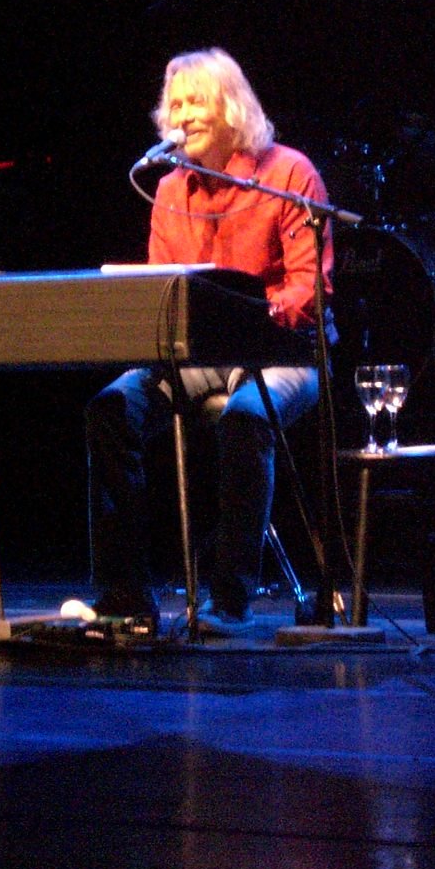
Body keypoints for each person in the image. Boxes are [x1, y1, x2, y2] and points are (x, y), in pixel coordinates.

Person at [86, 48, 333, 630]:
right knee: (110, 409)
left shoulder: (290, 174)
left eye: (195, 102)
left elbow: (310, 289)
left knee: (246, 418)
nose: (182, 116)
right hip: (199, 355)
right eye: (175, 105)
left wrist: (248, 318)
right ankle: (124, 598)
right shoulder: (170, 191)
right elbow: (162, 292)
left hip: (282, 350)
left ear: (231, 108)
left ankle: (229, 602)